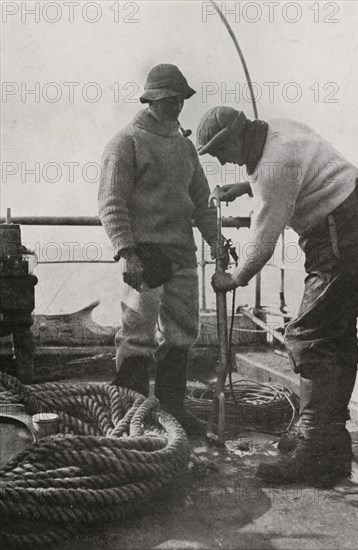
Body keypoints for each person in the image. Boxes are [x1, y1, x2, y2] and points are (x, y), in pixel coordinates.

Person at [196, 106, 358, 484]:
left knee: (311, 337)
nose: (221, 160)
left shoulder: (274, 167)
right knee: (334, 334)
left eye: (218, 151)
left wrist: (235, 277)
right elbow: (285, 173)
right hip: (347, 221)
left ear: (234, 138)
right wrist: (245, 187)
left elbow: (262, 241)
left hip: (337, 231)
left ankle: (317, 452)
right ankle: (330, 443)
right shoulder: (277, 131)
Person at [98, 64, 226, 435]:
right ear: (151, 99)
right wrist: (127, 252)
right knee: (137, 335)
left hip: (183, 255)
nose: (176, 106)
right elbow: (111, 203)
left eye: (181, 100)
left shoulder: (185, 146)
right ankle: (128, 415)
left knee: (182, 333)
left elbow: (201, 202)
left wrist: (216, 239)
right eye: (169, 99)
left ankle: (172, 411)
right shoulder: (127, 142)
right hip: (145, 255)